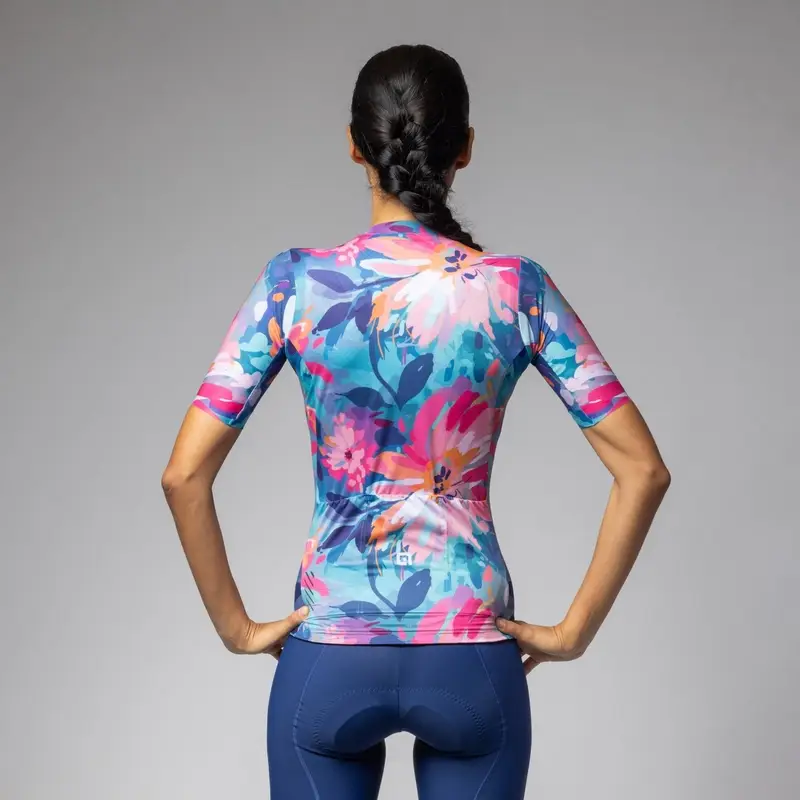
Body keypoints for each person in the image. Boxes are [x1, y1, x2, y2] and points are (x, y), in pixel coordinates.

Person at [161, 43, 671, 800]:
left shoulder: (296, 284)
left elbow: (184, 475)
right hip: (470, 654)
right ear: (465, 148)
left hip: (330, 651)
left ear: (353, 145)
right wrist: (575, 631)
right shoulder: (514, 289)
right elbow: (643, 469)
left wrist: (236, 628)